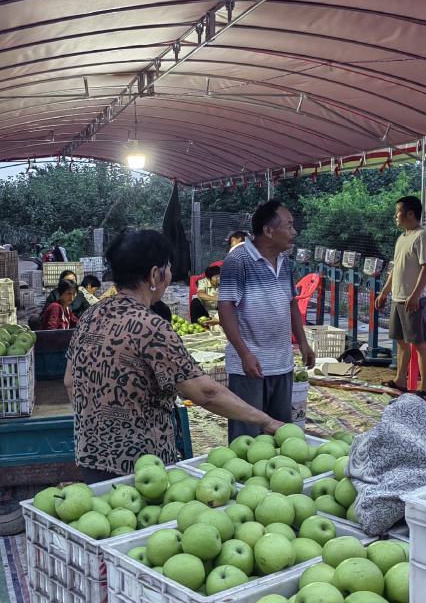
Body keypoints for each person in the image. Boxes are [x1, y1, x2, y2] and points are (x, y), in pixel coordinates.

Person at [64, 228, 284, 480]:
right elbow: (206, 393)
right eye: (168, 268)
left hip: (90, 457)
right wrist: (266, 421)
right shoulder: (151, 327)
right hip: (142, 468)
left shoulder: (91, 315)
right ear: (154, 274)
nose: (169, 275)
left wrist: (99, 425)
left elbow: (70, 381)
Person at [218, 201, 316, 441]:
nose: (294, 232)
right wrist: (245, 354)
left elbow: (291, 302)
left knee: (280, 434)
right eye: (289, 225)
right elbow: (225, 308)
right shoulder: (237, 260)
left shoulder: (285, 263)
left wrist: (303, 342)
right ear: (269, 231)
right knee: (247, 438)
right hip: (250, 367)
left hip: (282, 363)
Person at [375, 194, 426, 399]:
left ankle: (425, 388)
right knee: (400, 341)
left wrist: (416, 295)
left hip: (414, 299)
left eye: (398, 212)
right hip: (398, 297)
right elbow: (395, 269)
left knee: (419, 344)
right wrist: (385, 292)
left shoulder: (423, 236)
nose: (395, 216)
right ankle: (401, 381)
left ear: (410, 213)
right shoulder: (402, 238)